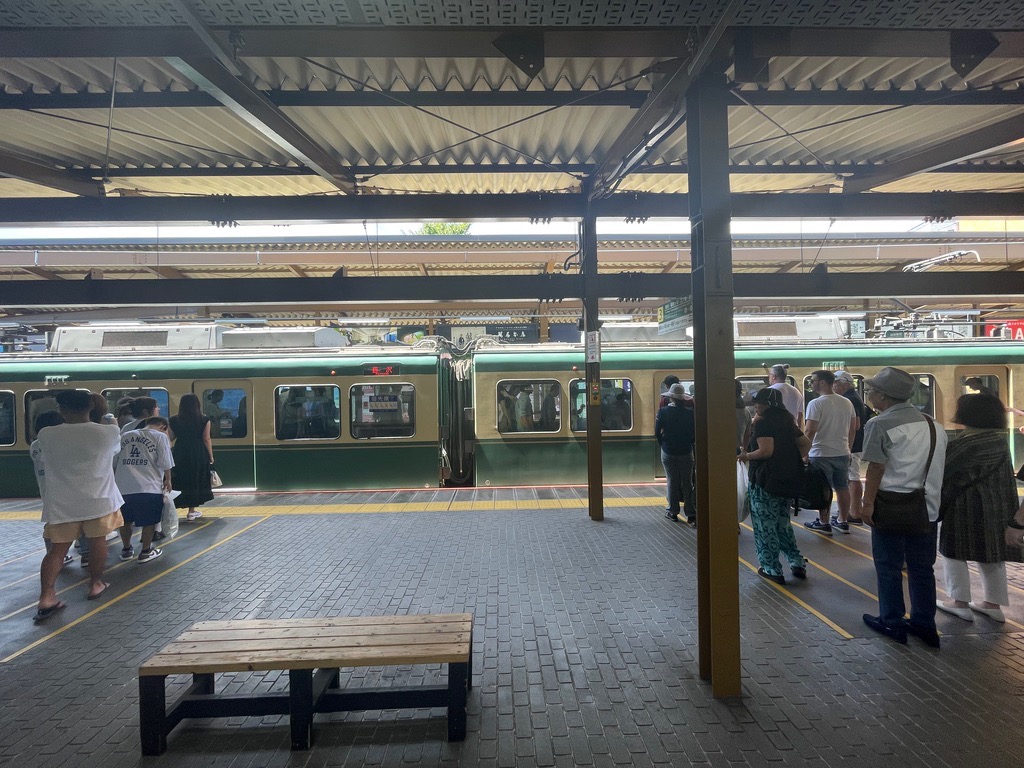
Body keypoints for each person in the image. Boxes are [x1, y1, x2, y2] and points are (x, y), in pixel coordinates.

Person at [861, 367, 948, 648]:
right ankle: (925, 625)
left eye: (871, 390)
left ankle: (892, 621)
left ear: (882, 396)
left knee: (888, 566)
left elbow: (876, 467)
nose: (869, 394)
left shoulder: (879, 424)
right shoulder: (933, 425)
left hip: (892, 507)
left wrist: (867, 503)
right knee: (922, 568)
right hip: (927, 508)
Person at [33, 389, 124, 622]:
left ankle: (46, 597)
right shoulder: (109, 432)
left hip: (62, 503)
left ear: (62, 409)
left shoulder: (46, 434)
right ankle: (95, 584)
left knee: (57, 550)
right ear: (91, 407)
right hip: (99, 500)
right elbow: (115, 448)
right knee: (97, 542)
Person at [936, 394, 1021, 623]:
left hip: (965, 506)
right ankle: (993, 605)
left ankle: (959, 603)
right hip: (1000, 505)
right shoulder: (999, 440)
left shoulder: (964, 444)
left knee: (953, 551)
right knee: (992, 554)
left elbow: (942, 471)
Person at [738, 388, 809, 584]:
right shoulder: (787, 421)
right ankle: (797, 562)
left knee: (765, 525)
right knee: (783, 524)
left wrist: (746, 456)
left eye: (759, 403)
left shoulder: (764, 423)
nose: (756, 406)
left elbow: (766, 451)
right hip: (785, 481)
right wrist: (788, 460)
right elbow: (806, 444)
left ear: (768, 405)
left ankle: (771, 568)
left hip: (765, 481)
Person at [802, 370, 856, 535]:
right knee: (842, 487)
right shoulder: (847, 402)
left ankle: (824, 522)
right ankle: (843, 521)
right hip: (842, 452)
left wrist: (804, 452)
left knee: (823, 489)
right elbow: (853, 428)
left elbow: (810, 430)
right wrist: (849, 449)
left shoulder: (816, 404)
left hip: (821, 453)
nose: (811, 384)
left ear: (823, 382)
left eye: (812, 380)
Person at [115, 416, 174, 563]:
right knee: (150, 521)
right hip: (149, 486)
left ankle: (126, 550)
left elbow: (115, 461)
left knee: (125, 520)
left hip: (123, 486)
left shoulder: (126, 435)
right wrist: (168, 479)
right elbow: (165, 461)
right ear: (164, 427)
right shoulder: (160, 436)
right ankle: (146, 551)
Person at [30, 410, 75, 567]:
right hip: (67, 490)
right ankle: (85, 553)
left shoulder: (35, 446)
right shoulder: (61, 443)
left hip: (47, 492)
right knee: (80, 521)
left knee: (52, 524)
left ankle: (52, 553)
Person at [655, 383, 696, 524]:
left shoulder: (663, 411)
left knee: (672, 481)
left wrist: (663, 443)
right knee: (687, 482)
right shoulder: (691, 413)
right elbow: (694, 433)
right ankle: (691, 513)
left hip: (668, 451)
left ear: (671, 398)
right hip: (686, 451)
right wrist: (689, 443)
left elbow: (657, 432)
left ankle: (673, 512)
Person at [169, 393, 214, 522]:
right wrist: (210, 456)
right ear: (197, 404)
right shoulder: (204, 419)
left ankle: (175, 508)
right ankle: (191, 511)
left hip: (180, 451)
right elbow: (206, 438)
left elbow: (170, 437)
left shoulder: (173, 420)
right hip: (198, 452)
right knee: (195, 479)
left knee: (181, 479)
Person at [832, 371, 866, 524]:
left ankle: (855, 512)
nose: (834, 387)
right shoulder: (853, 397)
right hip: (854, 444)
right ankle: (853, 510)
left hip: (853, 445)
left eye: (836, 384)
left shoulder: (850, 399)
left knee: (853, 477)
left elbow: (856, 424)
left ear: (845, 384)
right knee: (851, 477)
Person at [768, 363, 804, 430]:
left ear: (773, 376)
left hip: (775, 430)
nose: (768, 377)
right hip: (792, 429)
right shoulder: (797, 392)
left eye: (769, 374)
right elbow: (799, 416)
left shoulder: (769, 391)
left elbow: (762, 412)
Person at [735, 380, 752, 454]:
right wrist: (744, 451)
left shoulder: (718, 410)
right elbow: (747, 434)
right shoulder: (745, 411)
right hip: (737, 449)